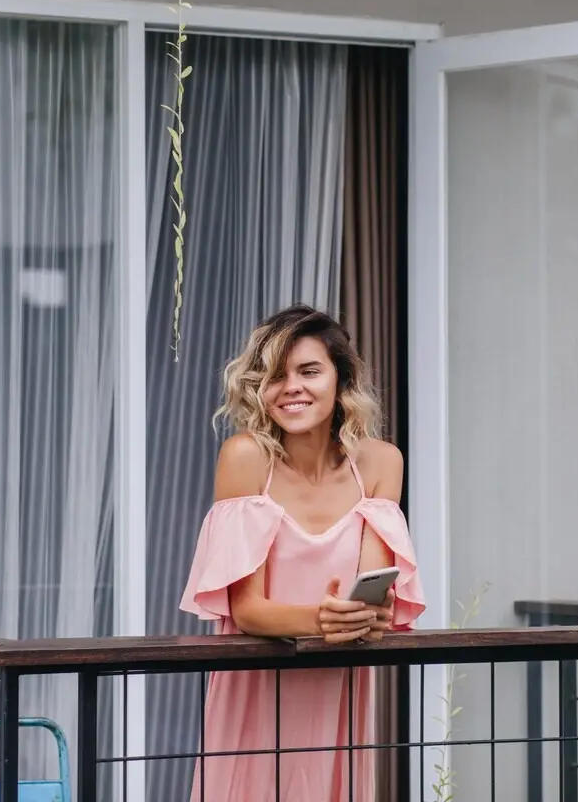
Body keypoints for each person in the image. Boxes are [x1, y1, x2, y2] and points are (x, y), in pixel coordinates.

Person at [179, 304, 425, 802]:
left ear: (342, 379)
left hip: (338, 684)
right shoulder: (246, 458)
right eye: (274, 376)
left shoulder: (381, 463)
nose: (291, 387)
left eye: (309, 371)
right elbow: (246, 610)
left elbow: (372, 589)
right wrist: (329, 620)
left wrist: (367, 618)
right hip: (256, 686)